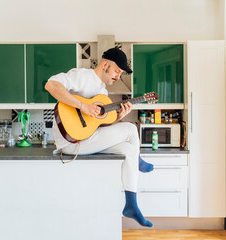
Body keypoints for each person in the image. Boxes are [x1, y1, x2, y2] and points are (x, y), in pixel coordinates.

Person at [45, 47, 154, 227]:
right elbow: (51, 85)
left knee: (127, 149)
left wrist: (119, 116)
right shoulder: (83, 76)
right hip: (72, 142)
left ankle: (131, 204)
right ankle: (139, 160)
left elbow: (99, 125)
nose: (118, 76)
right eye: (117, 71)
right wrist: (82, 106)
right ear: (105, 65)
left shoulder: (101, 93)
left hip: (88, 139)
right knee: (130, 129)